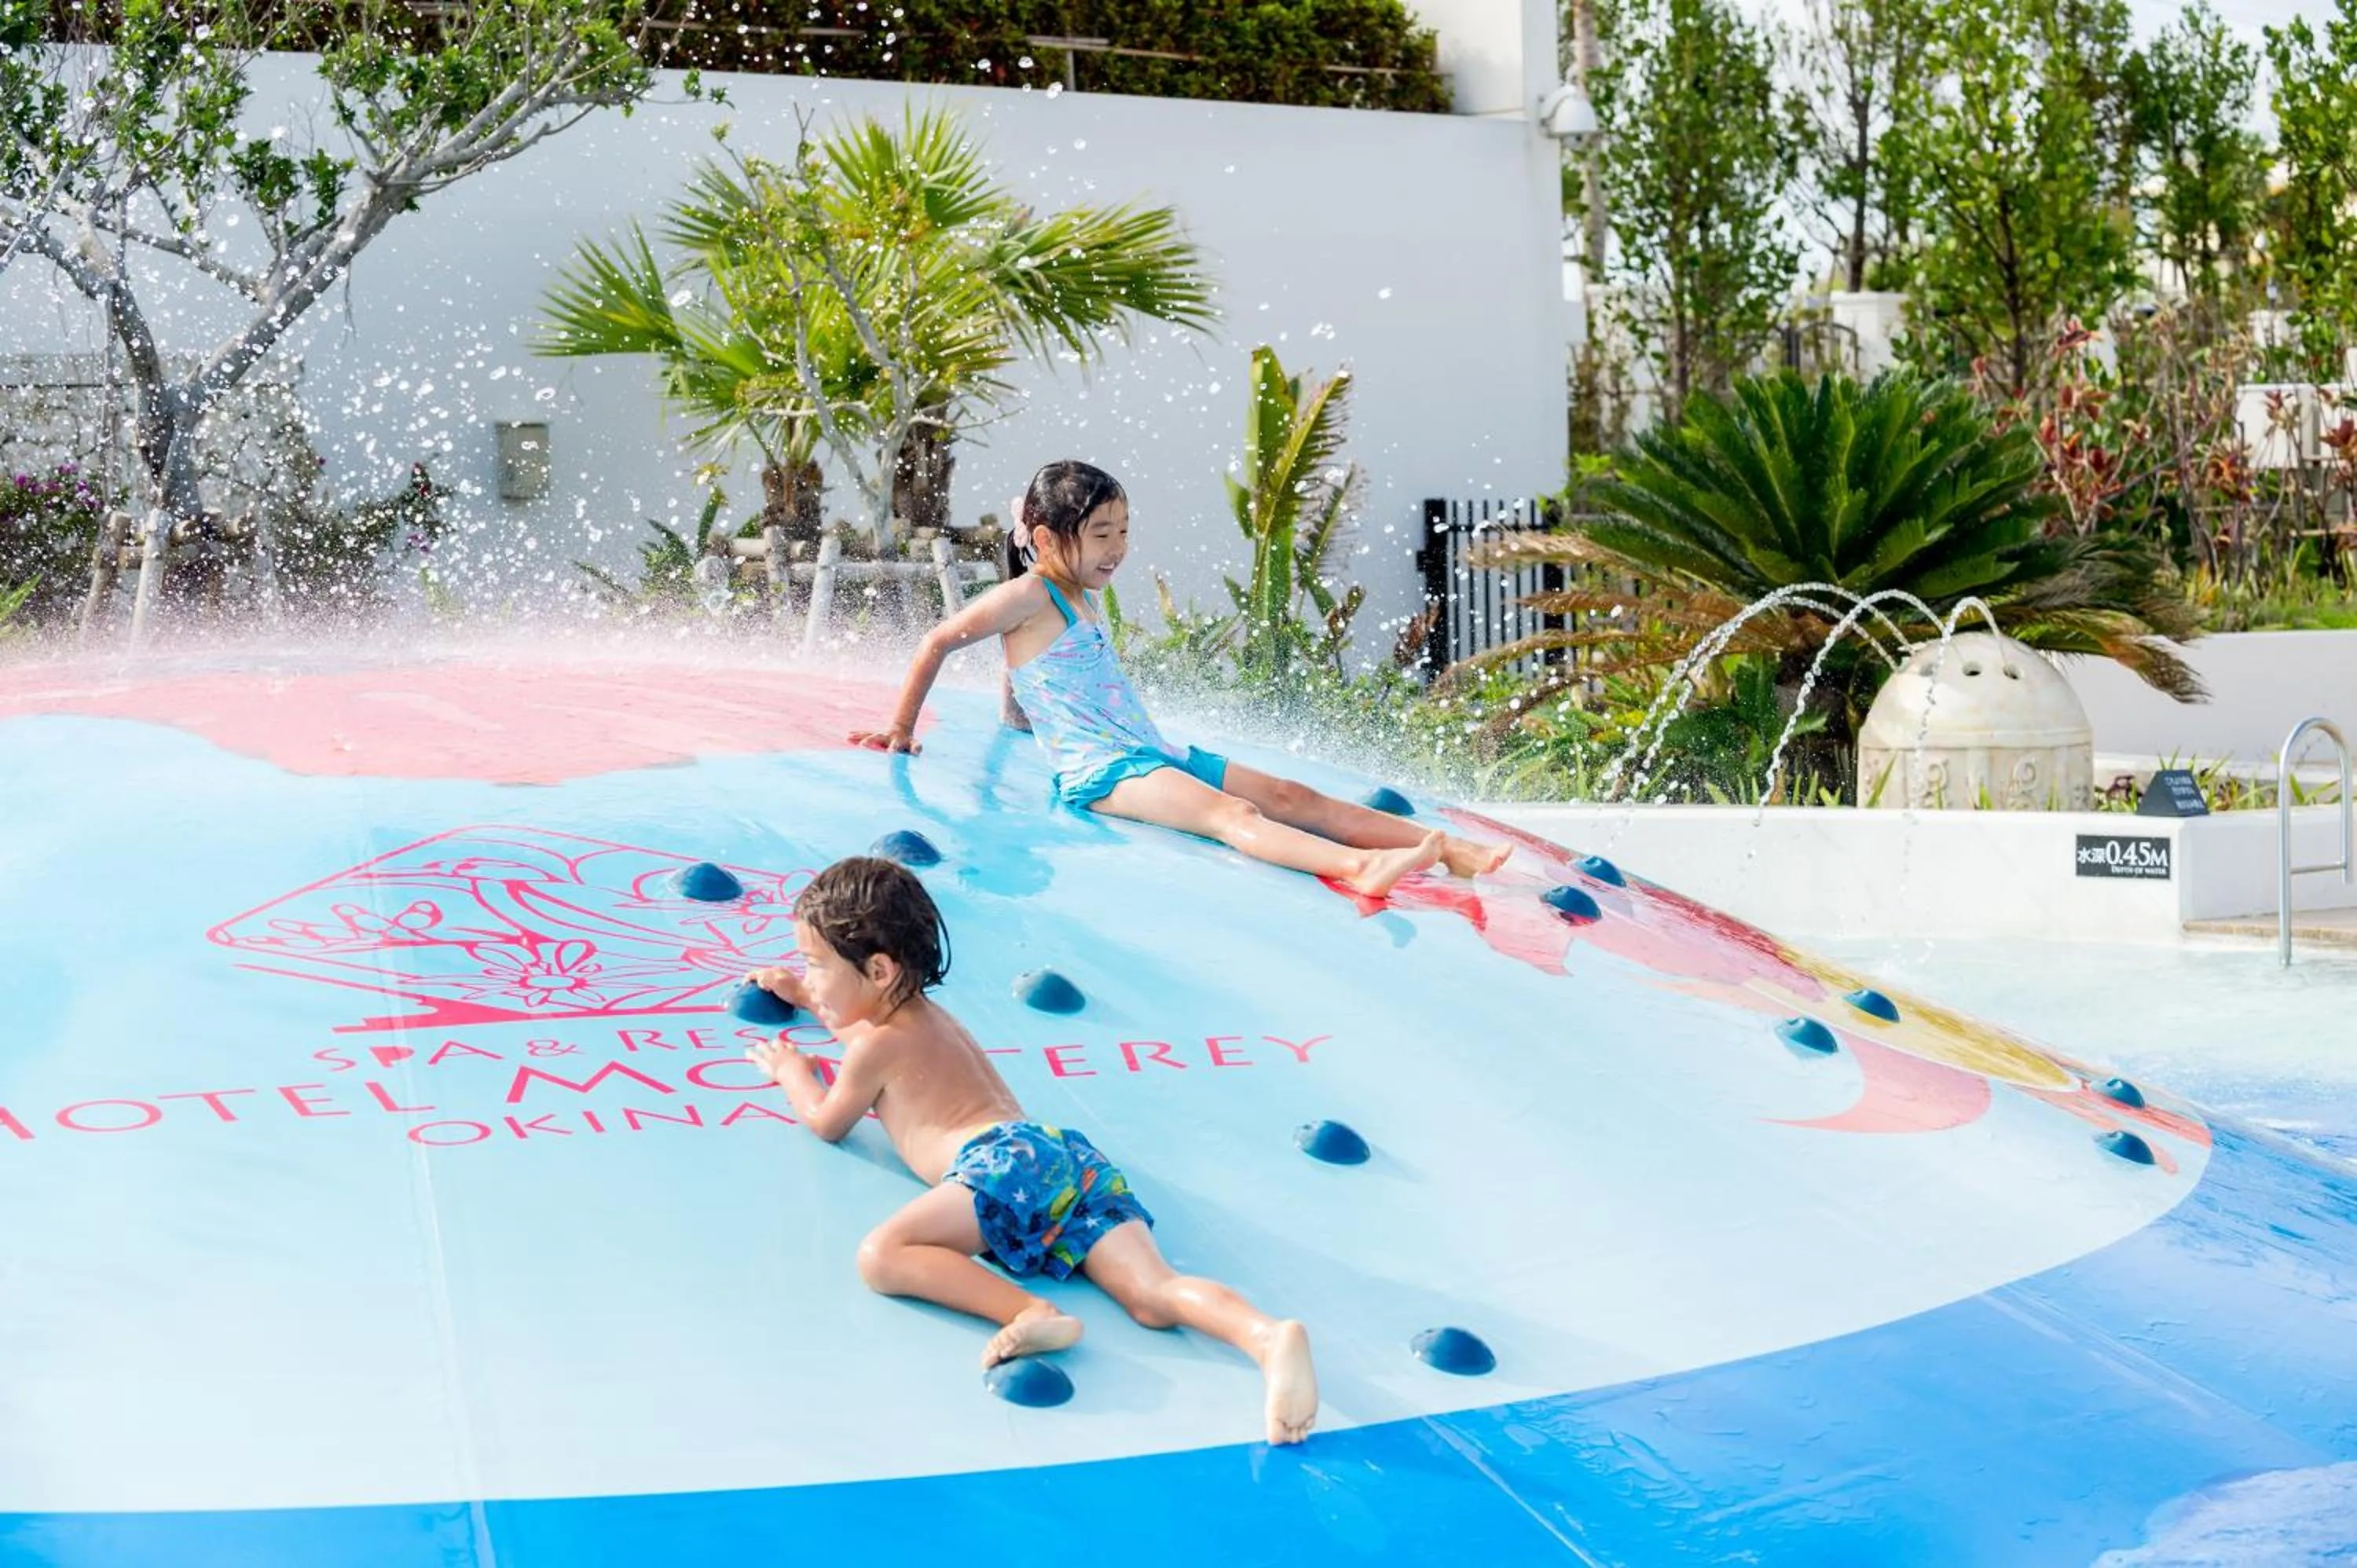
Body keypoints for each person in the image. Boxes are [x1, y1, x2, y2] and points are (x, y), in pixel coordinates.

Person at [746, 855, 1320, 1445]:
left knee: (883, 1254)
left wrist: (793, 1070)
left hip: (999, 1166)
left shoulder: (877, 1050)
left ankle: (1028, 1313)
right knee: (1153, 1295)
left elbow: (827, 1121)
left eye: (815, 965)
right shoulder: (924, 1019)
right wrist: (811, 997)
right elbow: (857, 1022)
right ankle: (1266, 1337)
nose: (807, 976)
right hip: (1063, 1158)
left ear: (880, 968)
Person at [850, 460, 1509, 899]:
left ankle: (1446, 847)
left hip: (1152, 752)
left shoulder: (1079, 594)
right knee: (1233, 814)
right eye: (1102, 533)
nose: (1118, 547)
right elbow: (940, 640)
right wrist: (900, 730)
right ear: (1047, 540)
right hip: (1104, 771)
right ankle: (1361, 869)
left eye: (1125, 531)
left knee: (1290, 793)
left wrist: (1015, 717)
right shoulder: (1028, 594)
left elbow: (1021, 667)